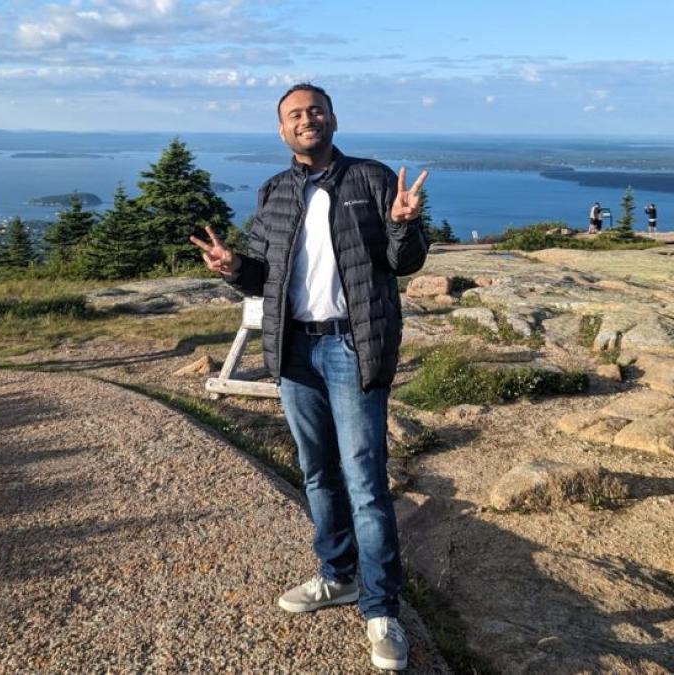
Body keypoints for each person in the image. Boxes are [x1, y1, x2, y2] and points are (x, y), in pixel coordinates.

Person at [190, 83, 427, 672]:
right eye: (294, 114)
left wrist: (403, 222)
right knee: (318, 473)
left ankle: (381, 610)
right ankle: (336, 576)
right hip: (295, 349)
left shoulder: (370, 179)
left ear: (333, 118)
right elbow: (264, 276)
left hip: (352, 345)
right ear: (281, 130)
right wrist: (232, 267)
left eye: (315, 110)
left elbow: (406, 263)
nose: (306, 120)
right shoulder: (275, 191)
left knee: (366, 481)